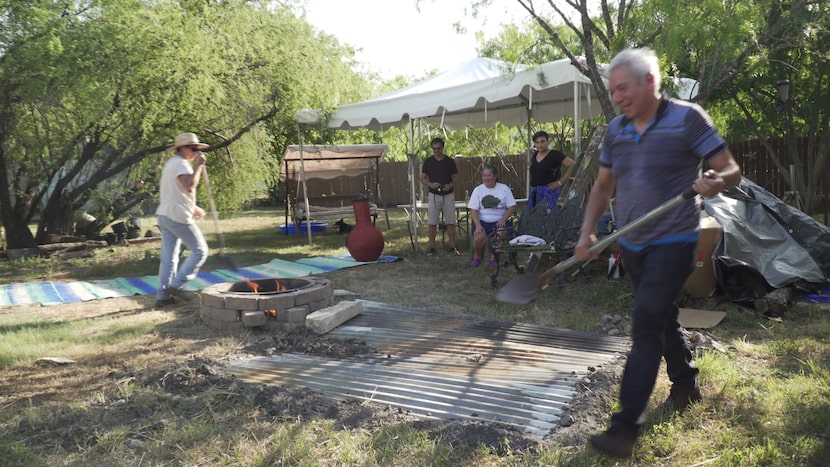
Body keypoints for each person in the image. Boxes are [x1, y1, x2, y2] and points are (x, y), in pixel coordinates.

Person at [574, 48, 741, 458]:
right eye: (613, 91)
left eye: (623, 88)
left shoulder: (688, 118)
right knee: (662, 315)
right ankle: (686, 384)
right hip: (632, 244)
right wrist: (587, 232)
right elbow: (602, 186)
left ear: (649, 82)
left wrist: (713, 181)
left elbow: (732, 170)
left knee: (645, 323)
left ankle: (625, 426)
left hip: (675, 240)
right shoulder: (616, 130)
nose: (617, 97)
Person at [154, 132, 211, 307]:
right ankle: (175, 286)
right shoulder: (181, 164)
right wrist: (199, 166)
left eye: (197, 148)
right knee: (200, 250)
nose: (195, 151)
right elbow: (189, 186)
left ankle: (162, 297)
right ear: (182, 148)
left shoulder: (172, 164)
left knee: (169, 257)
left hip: (165, 214)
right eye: (193, 148)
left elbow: (176, 191)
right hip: (177, 216)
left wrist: (193, 207)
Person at [468, 164, 516, 267]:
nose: (486, 178)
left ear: (495, 176)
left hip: (499, 220)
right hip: (482, 221)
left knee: (501, 232)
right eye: (484, 176)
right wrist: (478, 225)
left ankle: (494, 258)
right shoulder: (478, 190)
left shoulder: (504, 188)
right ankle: (477, 257)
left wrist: (503, 219)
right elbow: (473, 210)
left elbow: (511, 207)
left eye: (488, 175)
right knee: (479, 236)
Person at [420, 137, 460, 256]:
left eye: (438, 148)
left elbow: (456, 177)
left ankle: (452, 247)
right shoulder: (428, 162)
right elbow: (422, 178)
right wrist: (430, 184)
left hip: (448, 194)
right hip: (434, 195)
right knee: (432, 222)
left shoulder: (449, 161)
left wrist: (450, 185)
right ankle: (432, 247)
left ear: (442, 148)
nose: (436, 150)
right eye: (434, 149)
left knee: (450, 222)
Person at [528, 131, 575, 211]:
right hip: (535, 191)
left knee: (550, 217)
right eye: (537, 142)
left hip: (549, 191)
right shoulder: (535, 155)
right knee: (535, 217)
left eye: (542, 141)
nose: (540, 144)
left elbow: (573, 165)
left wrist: (561, 182)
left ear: (548, 141)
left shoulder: (555, 155)